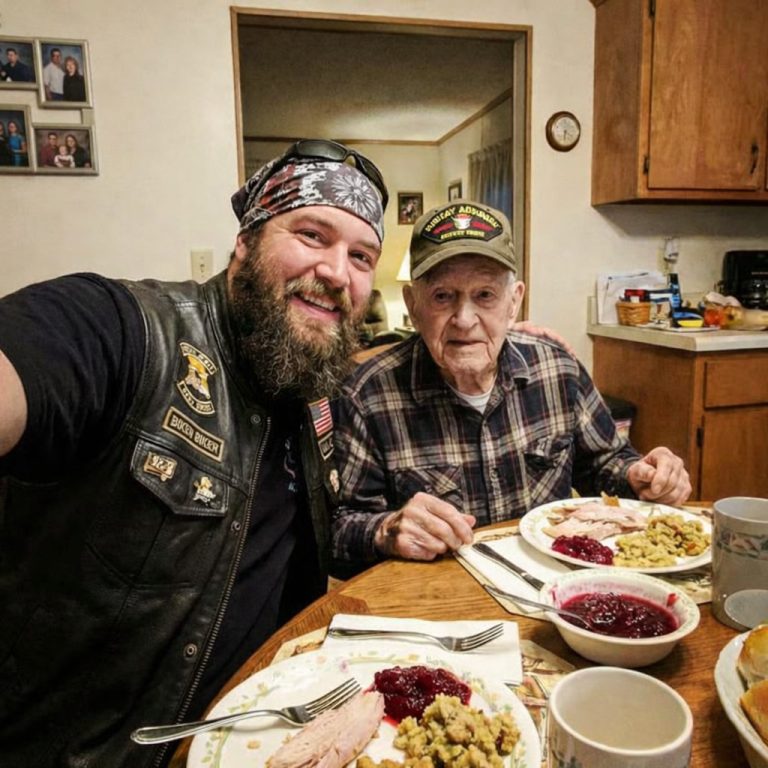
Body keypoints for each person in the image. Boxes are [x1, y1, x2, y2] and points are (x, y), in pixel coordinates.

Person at [0, 139, 387, 767]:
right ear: (245, 242)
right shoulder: (127, 333)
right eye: (313, 235)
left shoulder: (313, 386)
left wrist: (500, 331)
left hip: (259, 733)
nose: (338, 272)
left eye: (361, 255)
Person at [331, 200, 691, 574]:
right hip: (436, 600)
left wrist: (642, 476)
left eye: (485, 295)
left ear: (513, 301)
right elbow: (338, 534)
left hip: (551, 585)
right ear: (413, 304)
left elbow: (606, 463)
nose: (464, 319)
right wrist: (385, 530)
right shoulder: (366, 395)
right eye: (442, 296)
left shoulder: (558, 370)